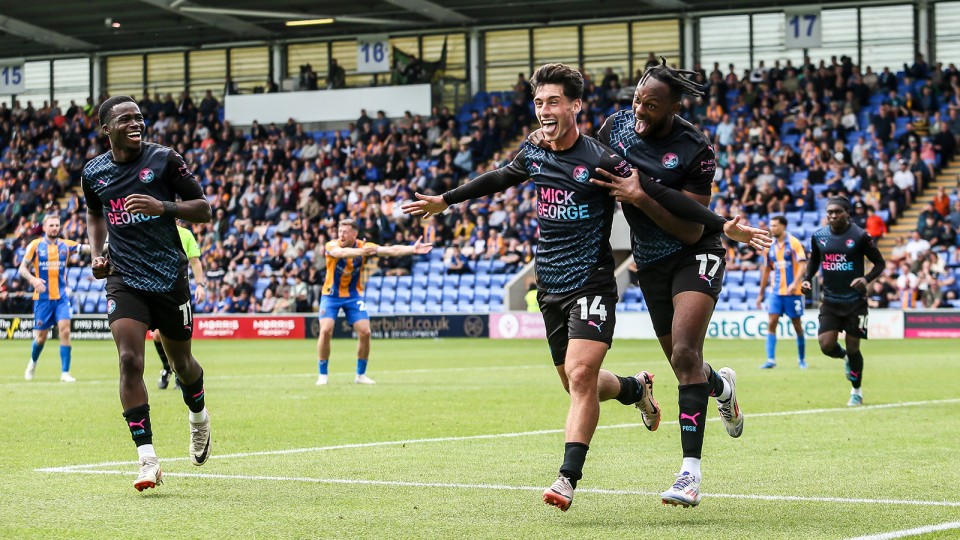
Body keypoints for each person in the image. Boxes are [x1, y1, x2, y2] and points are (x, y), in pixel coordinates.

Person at [403, 63, 748, 512]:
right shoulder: (548, 148)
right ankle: (638, 389)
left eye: (553, 101)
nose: (545, 110)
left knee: (635, 365)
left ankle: (584, 477)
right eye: (539, 102)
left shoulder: (625, 156)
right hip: (567, 278)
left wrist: (720, 223)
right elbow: (503, 176)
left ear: (575, 105)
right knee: (576, 383)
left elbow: (659, 196)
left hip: (622, 271)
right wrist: (446, 200)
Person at [587, 57, 770, 508]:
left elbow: (690, 228)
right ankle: (721, 388)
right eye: (636, 100)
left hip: (695, 252)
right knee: (684, 365)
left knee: (686, 353)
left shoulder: (696, 149)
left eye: (651, 106)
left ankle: (690, 474)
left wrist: (638, 196)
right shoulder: (616, 128)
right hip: (650, 262)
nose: (639, 111)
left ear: (672, 108)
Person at [82, 96, 213, 492]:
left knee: (183, 365)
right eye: (126, 119)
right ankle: (147, 459)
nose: (136, 123)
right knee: (128, 359)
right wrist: (97, 254)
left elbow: (204, 209)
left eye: (139, 118)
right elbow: (94, 212)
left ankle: (199, 418)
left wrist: (163, 206)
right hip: (124, 278)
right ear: (106, 128)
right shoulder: (94, 172)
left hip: (170, 278)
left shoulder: (164, 160)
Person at [316, 218, 433, 386]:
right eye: (339, 231)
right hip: (330, 295)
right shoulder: (332, 245)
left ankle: (360, 375)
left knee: (365, 332)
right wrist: (361, 253)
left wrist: (412, 249)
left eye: (345, 232)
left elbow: (391, 250)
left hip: (353, 295)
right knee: (326, 330)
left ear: (355, 234)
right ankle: (323, 375)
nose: (340, 235)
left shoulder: (365, 247)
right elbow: (340, 254)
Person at [801, 197, 885, 407]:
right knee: (826, 345)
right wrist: (806, 279)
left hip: (855, 302)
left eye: (837, 212)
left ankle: (856, 391)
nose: (833, 216)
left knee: (854, 346)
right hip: (830, 301)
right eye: (829, 212)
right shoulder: (819, 237)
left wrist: (866, 279)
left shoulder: (860, 236)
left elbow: (880, 264)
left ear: (848, 213)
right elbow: (814, 261)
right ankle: (844, 357)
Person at [20, 214, 88, 382]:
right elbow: (22, 269)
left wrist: (108, 245)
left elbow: (86, 248)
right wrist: (33, 279)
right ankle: (33, 363)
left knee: (65, 330)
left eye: (57, 225)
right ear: (44, 228)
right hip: (42, 299)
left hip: (62, 298)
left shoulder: (66, 245)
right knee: (41, 337)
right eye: (51, 225)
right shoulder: (35, 246)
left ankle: (65, 373)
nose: (54, 228)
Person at [155, 224, 207, 389]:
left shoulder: (185, 234)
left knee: (179, 338)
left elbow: (195, 261)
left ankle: (179, 371)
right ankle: (167, 368)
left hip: (178, 292)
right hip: (157, 290)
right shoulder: (153, 230)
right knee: (157, 335)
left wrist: (200, 285)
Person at [756, 215, 808, 369]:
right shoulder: (770, 246)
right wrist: (761, 293)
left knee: (797, 326)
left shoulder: (794, 243)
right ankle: (771, 360)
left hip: (793, 292)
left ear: (783, 226)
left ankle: (801, 360)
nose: (772, 228)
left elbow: (803, 265)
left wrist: (795, 283)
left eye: (775, 226)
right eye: (771, 226)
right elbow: (767, 270)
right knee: (771, 323)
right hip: (775, 292)